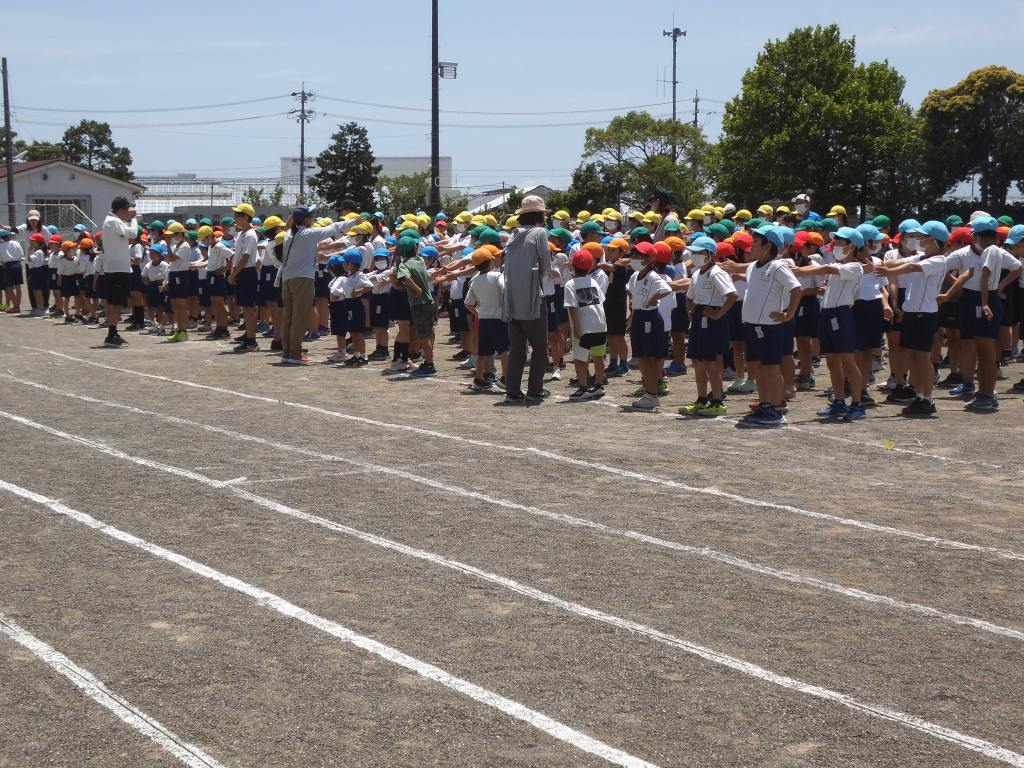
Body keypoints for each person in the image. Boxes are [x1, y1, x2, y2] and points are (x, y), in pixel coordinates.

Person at [792, 227, 870, 421]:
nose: (836, 246)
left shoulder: (855, 267)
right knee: (832, 362)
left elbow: (826, 269)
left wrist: (799, 271)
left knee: (848, 361)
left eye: (841, 243)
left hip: (841, 314)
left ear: (852, 246)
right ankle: (839, 402)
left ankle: (857, 404)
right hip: (827, 314)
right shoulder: (838, 265)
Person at [739, 225, 802, 426]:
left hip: (770, 326)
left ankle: (776, 408)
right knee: (758, 367)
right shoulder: (752, 266)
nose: (751, 246)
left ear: (768, 246)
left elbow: (796, 289)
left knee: (771, 367)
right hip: (752, 325)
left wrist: (788, 314)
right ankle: (765, 404)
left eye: (756, 242)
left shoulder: (778, 266)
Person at [278, 206, 354, 364]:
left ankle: (287, 351)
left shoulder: (288, 234)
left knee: (288, 317)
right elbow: (332, 228)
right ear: (306, 219)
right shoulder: (308, 234)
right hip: (302, 279)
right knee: (300, 317)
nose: (313, 218)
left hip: (286, 279)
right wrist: (354, 221)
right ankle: (295, 353)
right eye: (311, 215)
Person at [501, 195, 552, 405]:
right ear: (540, 215)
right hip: (533, 299)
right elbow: (545, 265)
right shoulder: (540, 233)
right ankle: (534, 390)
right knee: (540, 349)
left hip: (512, 301)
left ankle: (513, 391)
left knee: (517, 350)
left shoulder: (513, 235)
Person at [680, 236, 736, 416]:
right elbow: (690, 297)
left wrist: (719, 314)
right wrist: (691, 312)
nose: (695, 255)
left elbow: (732, 295)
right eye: (693, 252)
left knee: (712, 361)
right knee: (697, 360)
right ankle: (702, 399)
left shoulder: (717, 273)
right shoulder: (697, 273)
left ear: (710, 255)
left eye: (699, 252)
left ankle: (718, 401)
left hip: (712, 318)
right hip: (699, 316)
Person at [627, 241, 672, 410]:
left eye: (638, 256)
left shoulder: (653, 276)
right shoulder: (634, 276)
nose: (634, 259)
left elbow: (666, 289)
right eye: (633, 255)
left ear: (648, 259)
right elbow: (630, 290)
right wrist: (632, 309)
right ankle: (648, 389)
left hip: (650, 317)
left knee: (650, 357)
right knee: (640, 356)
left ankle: (652, 394)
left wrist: (653, 299)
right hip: (639, 315)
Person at [562, 249, 608, 401]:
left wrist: (576, 328)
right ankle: (599, 386)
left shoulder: (570, 284)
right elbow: (600, 301)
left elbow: (573, 307)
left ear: (573, 266)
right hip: (600, 324)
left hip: (584, 326)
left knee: (580, 359)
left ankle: (583, 388)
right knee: (598, 357)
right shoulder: (593, 281)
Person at [463, 245, 508, 393]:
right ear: (490, 262)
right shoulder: (497, 276)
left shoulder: (475, 280)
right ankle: (506, 378)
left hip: (484, 319)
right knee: (504, 350)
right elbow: (504, 290)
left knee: (483, 351)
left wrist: (478, 313)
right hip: (499, 318)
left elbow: (468, 303)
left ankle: (479, 379)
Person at [393, 235, 436, 377]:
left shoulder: (404, 265)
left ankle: (429, 365)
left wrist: (416, 289)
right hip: (429, 301)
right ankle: (428, 361)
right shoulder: (420, 260)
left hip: (418, 304)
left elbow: (405, 278)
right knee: (429, 333)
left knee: (424, 336)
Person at [99, 196, 138, 346]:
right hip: (117, 269)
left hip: (116, 268)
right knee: (115, 303)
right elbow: (133, 233)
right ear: (121, 209)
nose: (129, 212)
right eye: (127, 209)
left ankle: (113, 333)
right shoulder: (113, 221)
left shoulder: (113, 221)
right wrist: (134, 219)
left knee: (115, 303)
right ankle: (111, 334)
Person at [327, 250, 373, 366]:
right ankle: (356, 355)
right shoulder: (349, 276)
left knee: (358, 333)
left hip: (356, 304)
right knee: (353, 332)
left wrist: (357, 291)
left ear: (350, 264)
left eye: (345, 262)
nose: (343, 265)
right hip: (349, 304)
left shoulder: (359, 275)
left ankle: (363, 356)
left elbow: (369, 286)